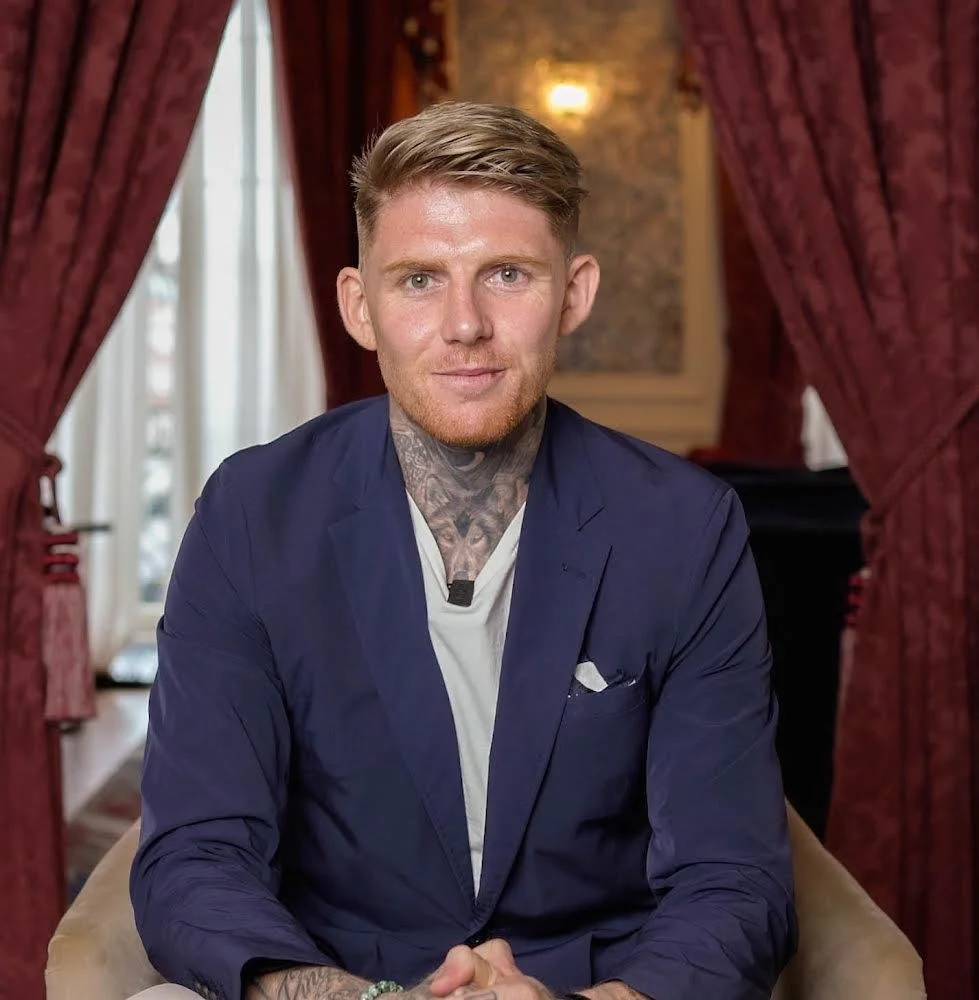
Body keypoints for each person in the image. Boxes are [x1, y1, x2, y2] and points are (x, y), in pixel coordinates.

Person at [130, 100, 797, 1000]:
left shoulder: (684, 525)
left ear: (575, 292)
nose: (465, 325)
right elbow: (195, 854)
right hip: (339, 979)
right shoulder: (251, 514)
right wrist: (346, 998)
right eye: (417, 280)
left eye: (508, 274)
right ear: (359, 308)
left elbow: (734, 878)